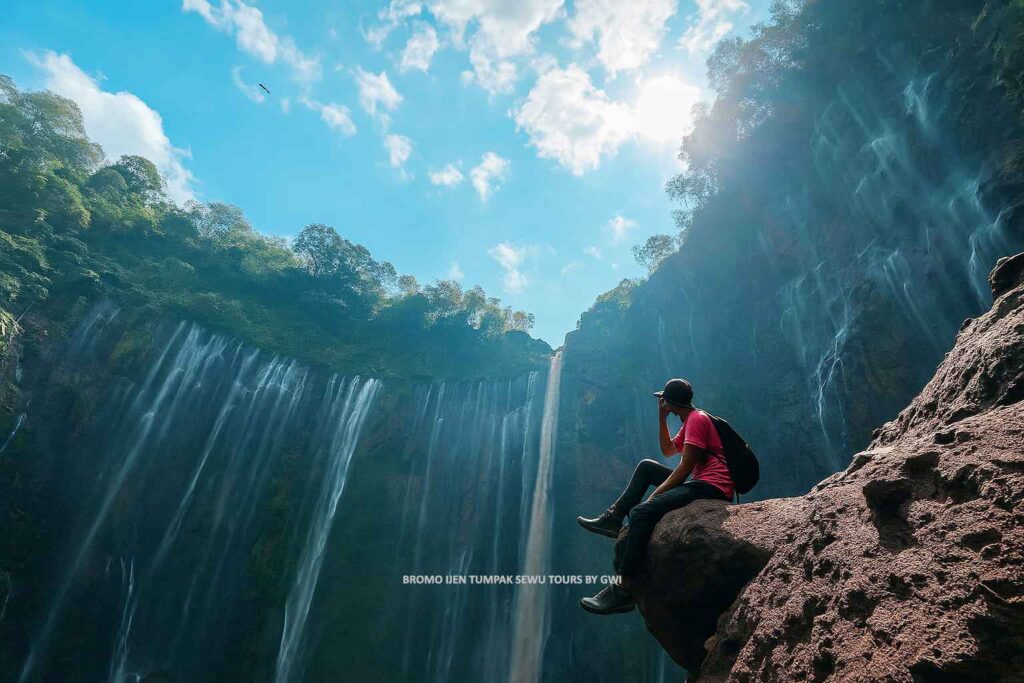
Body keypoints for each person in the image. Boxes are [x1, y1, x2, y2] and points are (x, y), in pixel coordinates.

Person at [577, 378, 735, 615]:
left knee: (641, 513)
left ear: (670, 402)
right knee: (647, 467)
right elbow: (668, 450)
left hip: (710, 486)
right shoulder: (691, 419)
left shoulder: (697, 420)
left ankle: (623, 590)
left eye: (664, 402)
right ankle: (613, 519)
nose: (662, 405)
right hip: (701, 481)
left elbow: (683, 469)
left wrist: (654, 497)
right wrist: (661, 419)